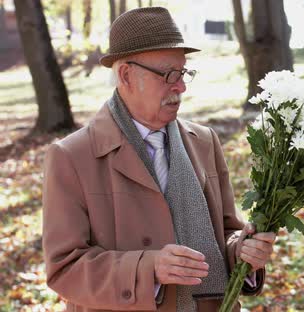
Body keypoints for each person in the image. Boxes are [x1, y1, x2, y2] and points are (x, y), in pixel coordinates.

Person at [42, 7, 276, 312]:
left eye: (184, 73)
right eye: (168, 75)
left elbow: (226, 233)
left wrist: (243, 250)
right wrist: (149, 269)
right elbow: (64, 269)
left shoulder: (205, 142)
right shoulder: (71, 156)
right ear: (126, 75)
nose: (180, 86)